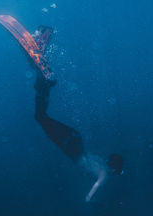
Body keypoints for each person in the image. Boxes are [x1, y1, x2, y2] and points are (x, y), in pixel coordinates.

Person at [31, 29, 124, 202]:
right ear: (113, 169)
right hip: (73, 147)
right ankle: (44, 81)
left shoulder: (102, 162)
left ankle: (43, 80)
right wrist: (88, 199)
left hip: (75, 139)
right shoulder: (104, 174)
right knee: (40, 117)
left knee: (41, 116)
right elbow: (92, 192)